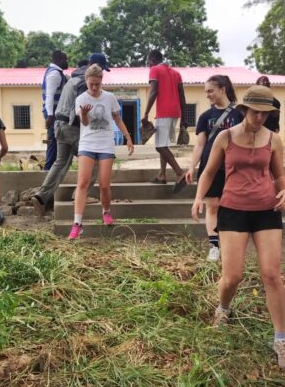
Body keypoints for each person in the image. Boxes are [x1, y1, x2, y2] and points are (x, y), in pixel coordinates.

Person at [191, 85, 285, 369]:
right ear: (244, 110)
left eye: (265, 113)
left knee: (272, 275)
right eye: (255, 112)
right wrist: (199, 198)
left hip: (266, 211)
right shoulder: (225, 137)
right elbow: (209, 171)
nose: (259, 117)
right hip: (233, 210)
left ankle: (280, 340)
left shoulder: (273, 140)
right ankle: (223, 309)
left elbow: (280, 176)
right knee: (233, 276)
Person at [32, 54, 111, 216]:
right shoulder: (84, 82)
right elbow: (86, 108)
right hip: (72, 127)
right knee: (95, 161)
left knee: (60, 162)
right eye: (101, 69)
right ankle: (80, 195)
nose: (101, 74)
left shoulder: (72, 79)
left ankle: (41, 196)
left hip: (59, 126)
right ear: (93, 66)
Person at [68, 64, 134, 239]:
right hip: (87, 144)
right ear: (86, 81)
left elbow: (117, 119)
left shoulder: (109, 97)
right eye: (91, 84)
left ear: (101, 81)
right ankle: (77, 224)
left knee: (104, 185)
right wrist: (83, 114)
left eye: (97, 84)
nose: (95, 88)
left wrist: (128, 137)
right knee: (82, 182)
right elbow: (84, 123)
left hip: (105, 144)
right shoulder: (81, 99)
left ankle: (106, 212)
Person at [185, 75, 243, 261]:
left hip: (233, 167)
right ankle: (214, 246)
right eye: (206, 92)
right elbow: (200, 145)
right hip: (210, 166)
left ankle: (229, 244)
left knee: (229, 206)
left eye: (210, 91)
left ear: (222, 89)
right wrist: (192, 167)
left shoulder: (239, 114)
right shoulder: (205, 117)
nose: (208, 95)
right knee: (212, 205)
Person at [141, 49, 188, 193]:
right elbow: (182, 96)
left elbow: (153, 92)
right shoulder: (176, 73)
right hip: (175, 113)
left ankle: (180, 173)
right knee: (164, 144)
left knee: (160, 146)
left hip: (164, 112)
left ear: (152, 60)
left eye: (149, 62)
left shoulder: (155, 70)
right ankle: (162, 174)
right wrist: (184, 118)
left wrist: (146, 113)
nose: (149, 65)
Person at [42, 50, 69, 170]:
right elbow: (49, 96)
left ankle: (51, 170)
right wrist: (50, 116)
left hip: (55, 114)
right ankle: (48, 171)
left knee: (55, 143)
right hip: (53, 114)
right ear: (59, 60)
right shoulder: (54, 74)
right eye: (65, 59)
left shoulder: (58, 73)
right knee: (53, 143)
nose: (67, 62)